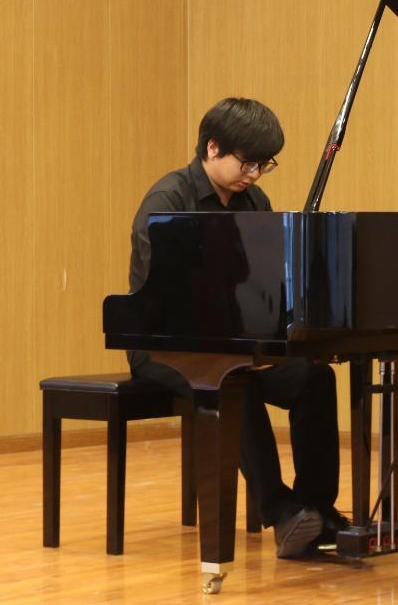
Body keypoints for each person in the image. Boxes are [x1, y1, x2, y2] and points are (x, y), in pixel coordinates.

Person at [127, 97, 348, 558]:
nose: (255, 174)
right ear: (212, 148)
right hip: (165, 345)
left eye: (264, 165)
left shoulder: (254, 202)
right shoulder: (168, 201)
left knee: (313, 377)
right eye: (248, 163)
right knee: (230, 381)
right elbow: (162, 297)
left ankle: (314, 508)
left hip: (235, 342)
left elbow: (266, 278)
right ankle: (281, 513)